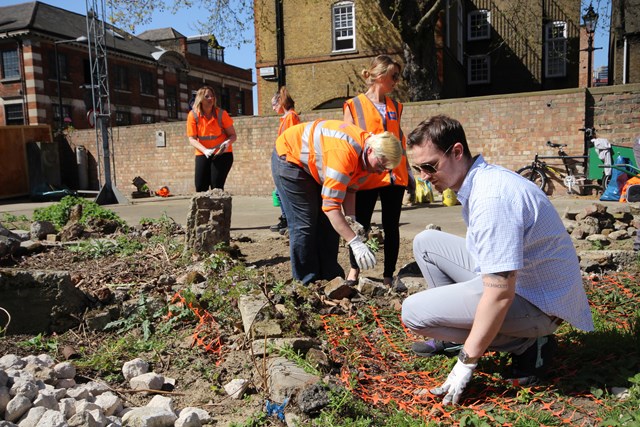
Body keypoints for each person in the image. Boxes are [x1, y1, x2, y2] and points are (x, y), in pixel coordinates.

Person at [401, 115, 594, 405]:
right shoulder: (482, 180)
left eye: (430, 166)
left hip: (540, 304)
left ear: (456, 152)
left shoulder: (492, 199)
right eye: (418, 168)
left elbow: (501, 291)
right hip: (526, 284)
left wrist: (466, 363)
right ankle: (464, 335)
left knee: (414, 313)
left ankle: (526, 342)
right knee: (426, 243)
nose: (425, 176)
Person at [271, 119, 403, 285]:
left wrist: (351, 220)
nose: (380, 172)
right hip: (289, 158)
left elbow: (350, 189)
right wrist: (354, 242)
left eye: (386, 169)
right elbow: (331, 207)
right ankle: (306, 283)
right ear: (370, 150)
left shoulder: (367, 160)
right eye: (381, 165)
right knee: (304, 222)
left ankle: (330, 278)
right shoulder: (345, 154)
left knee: (330, 223)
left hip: (313, 162)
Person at [343, 55, 413, 287]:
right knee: (360, 223)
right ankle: (354, 270)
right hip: (367, 174)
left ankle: (388, 275)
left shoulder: (396, 106)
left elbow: (400, 140)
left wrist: (410, 173)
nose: (397, 81)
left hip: (395, 175)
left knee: (392, 227)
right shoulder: (354, 105)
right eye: (394, 76)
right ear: (380, 75)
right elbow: (348, 140)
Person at [187, 85, 237, 191]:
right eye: (207, 96)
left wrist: (227, 143)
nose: (211, 98)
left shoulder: (221, 114)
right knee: (200, 186)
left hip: (222, 154)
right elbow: (192, 138)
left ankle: (218, 207)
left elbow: (233, 135)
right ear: (200, 99)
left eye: (212, 96)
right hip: (203, 153)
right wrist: (205, 150)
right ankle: (202, 207)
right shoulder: (193, 115)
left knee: (216, 187)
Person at [270, 86, 301, 234]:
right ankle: (286, 219)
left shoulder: (290, 117)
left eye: (274, 105)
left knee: (281, 193)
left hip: (287, 160)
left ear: (281, 102)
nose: (273, 108)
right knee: (279, 192)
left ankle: (287, 220)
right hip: (285, 159)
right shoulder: (288, 117)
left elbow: (290, 140)